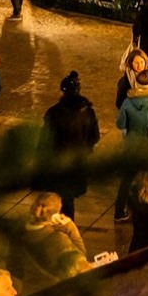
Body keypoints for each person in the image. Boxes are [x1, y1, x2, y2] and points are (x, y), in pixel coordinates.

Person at [42, 71, 100, 217]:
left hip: (58, 161)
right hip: (77, 161)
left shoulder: (53, 113)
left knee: (58, 199)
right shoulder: (87, 112)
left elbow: (45, 140)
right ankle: (68, 227)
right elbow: (94, 136)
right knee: (68, 200)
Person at [16, 190, 90, 287]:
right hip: (52, 289)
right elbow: (80, 259)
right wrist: (70, 226)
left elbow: (14, 267)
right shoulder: (58, 239)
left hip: (29, 287)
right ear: (54, 215)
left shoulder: (19, 231)